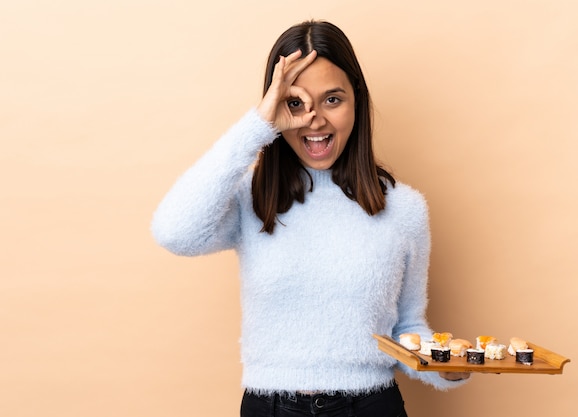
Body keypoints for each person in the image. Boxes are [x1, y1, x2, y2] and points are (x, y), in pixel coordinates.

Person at [151, 20, 469, 417]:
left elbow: (407, 328)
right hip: (270, 407)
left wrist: (447, 369)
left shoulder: (404, 209)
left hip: (371, 406)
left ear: (357, 100)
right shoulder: (253, 198)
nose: (314, 120)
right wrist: (258, 126)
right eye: (296, 103)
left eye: (333, 99)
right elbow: (173, 232)